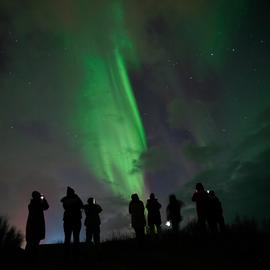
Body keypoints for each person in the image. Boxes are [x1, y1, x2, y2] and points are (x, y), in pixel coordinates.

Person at [25, 191, 49, 263]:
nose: (39, 196)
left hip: (35, 226)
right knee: (32, 243)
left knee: (33, 243)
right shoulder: (34, 204)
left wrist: (43, 199)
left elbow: (46, 207)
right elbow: (46, 207)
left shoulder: (35, 203)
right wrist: (43, 199)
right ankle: (30, 259)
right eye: (38, 195)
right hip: (34, 227)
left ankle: (31, 259)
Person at [60, 186, 83, 258]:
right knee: (74, 239)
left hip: (69, 221)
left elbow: (80, 205)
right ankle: (75, 256)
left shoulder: (65, 200)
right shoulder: (75, 199)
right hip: (73, 221)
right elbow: (81, 205)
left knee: (69, 239)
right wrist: (76, 198)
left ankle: (68, 257)